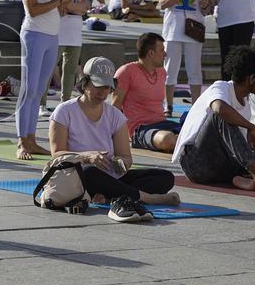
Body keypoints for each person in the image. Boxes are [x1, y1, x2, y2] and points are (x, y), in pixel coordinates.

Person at [49, 57, 179, 213]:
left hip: (110, 178)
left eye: (107, 87)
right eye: (98, 86)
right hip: (76, 177)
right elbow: (57, 155)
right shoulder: (64, 111)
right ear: (84, 82)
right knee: (89, 173)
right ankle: (150, 198)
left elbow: (125, 156)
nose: (103, 92)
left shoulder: (115, 115)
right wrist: (87, 157)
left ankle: (110, 194)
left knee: (165, 177)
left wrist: (120, 163)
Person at [173, 46, 255, 193]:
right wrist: (251, 127)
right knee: (221, 117)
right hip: (196, 164)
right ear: (252, 78)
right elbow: (219, 109)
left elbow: (235, 146)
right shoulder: (221, 87)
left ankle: (249, 179)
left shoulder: (246, 104)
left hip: (223, 167)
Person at [16, 0, 81, 159]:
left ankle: (31, 138)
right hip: (34, 34)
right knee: (29, 89)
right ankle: (23, 141)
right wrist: (63, 0)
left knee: (39, 88)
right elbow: (32, 9)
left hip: (52, 35)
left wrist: (65, 1)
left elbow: (52, 3)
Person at [159, 0, 212, 111]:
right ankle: (168, 104)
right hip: (173, 29)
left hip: (194, 28)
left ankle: (196, 105)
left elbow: (208, 9)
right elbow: (162, 3)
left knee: (194, 69)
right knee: (170, 68)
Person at [41, 0, 91, 109]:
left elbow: (85, 6)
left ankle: (65, 104)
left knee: (70, 71)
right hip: (57, 32)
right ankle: (41, 105)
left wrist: (72, 6)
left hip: (74, 32)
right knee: (48, 69)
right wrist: (73, 6)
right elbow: (64, 7)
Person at [112, 33, 181, 153]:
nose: (165, 54)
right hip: (140, 129)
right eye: (162, 50)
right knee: (167, 140)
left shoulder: (161, 72)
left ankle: (182, 142)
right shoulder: (126, 72)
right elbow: (115, 107)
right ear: (151, 53)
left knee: (199, 131)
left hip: (163, 124)